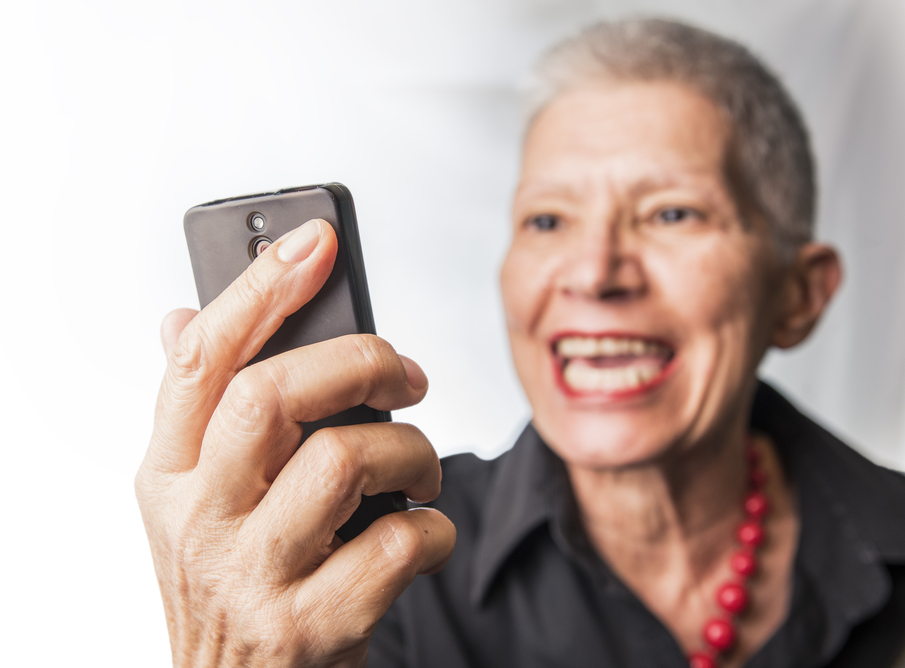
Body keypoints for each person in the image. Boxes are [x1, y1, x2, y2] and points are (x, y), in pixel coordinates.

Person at [135, 18, 905, 668]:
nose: (594, 273)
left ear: (798, 295)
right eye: (548, 221)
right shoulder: (368, 578)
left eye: (673, 214)